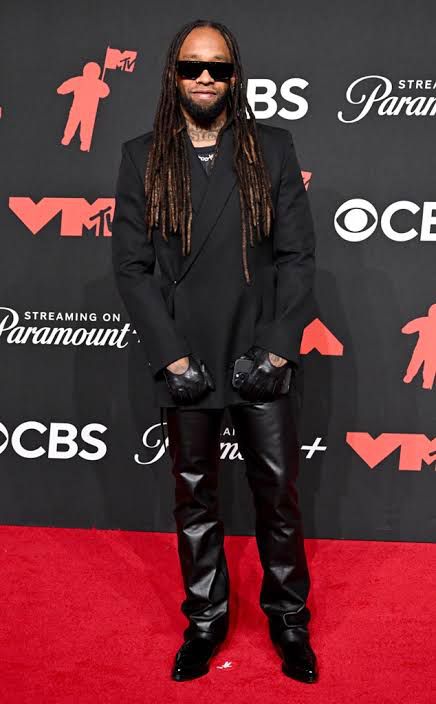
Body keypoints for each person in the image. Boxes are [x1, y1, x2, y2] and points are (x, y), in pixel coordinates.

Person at [111, 18, 318, 684]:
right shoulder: (143, 156)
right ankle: (205, 621)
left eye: (218, 67)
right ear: (173, 74)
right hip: (187, 359)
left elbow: (297, 256)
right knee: (195, 499)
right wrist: (171, 357)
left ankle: (289, 621)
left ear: (235, 76)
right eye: (193, 66)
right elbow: (132, 268)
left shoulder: (271, 149)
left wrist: (277, 351)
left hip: (258, 353)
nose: (206, 78)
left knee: (277, 497)